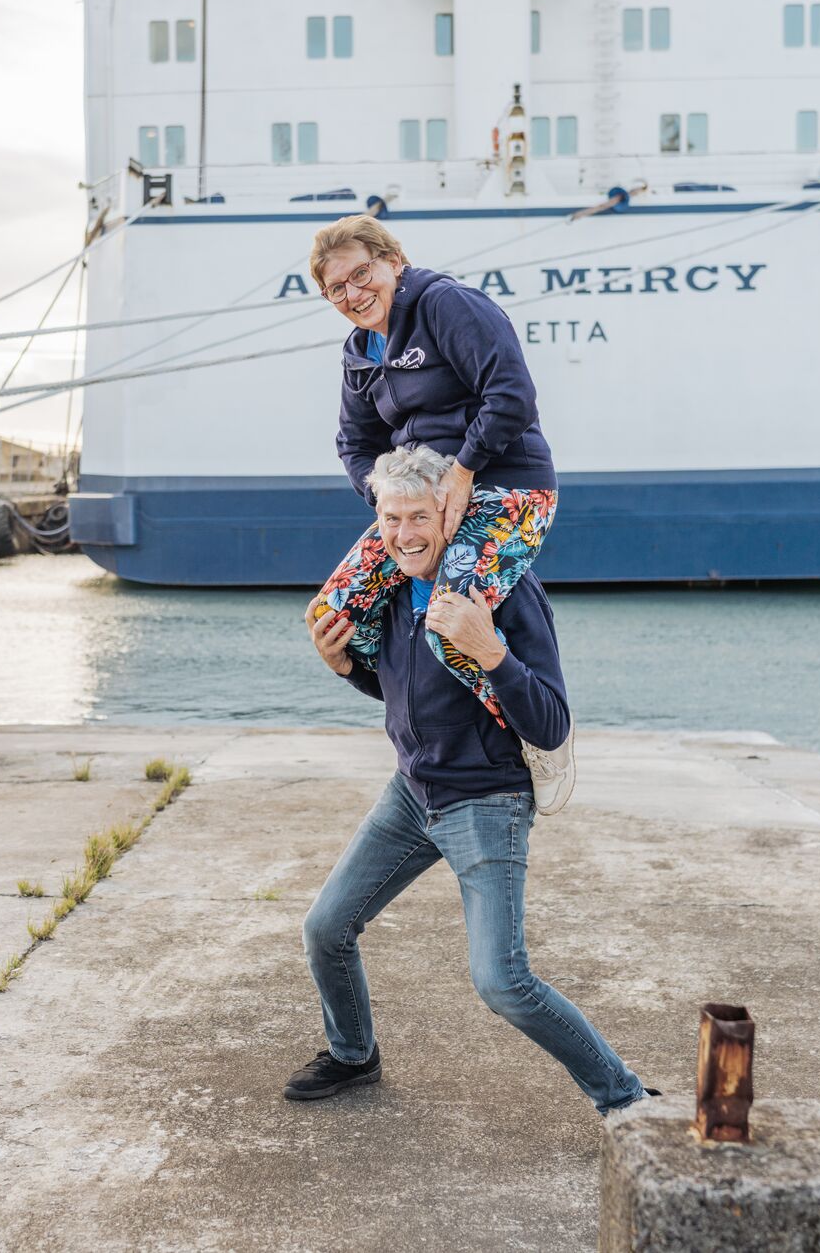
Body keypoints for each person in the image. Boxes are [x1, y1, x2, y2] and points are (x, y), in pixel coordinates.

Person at [287, 444, 657, 1116]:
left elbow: (549, 722)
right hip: (412, 794)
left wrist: (493, 650)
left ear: (450, 513)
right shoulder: (393, 588)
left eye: (419, 516)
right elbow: (404, 693)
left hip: (487, 799)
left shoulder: (507, 592)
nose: (404, 534)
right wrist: (344, 667)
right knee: (325, 927)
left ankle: (624, 1096)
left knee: (502, 980)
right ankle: (353, 1054)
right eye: (392, 518)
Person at [303, 215, 573, 807]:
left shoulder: (448, 305)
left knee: (452, 628)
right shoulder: (359, 353)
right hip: (423, 499)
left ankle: (537, 739)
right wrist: (391, 503)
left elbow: (512, 394)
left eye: (361, 274)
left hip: (506, 488)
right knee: (334, 614)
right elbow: (354, 443)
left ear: (393, 260)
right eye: (336, 289)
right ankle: (423, 718)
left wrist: (464, 469)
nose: (353, 294)